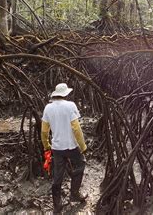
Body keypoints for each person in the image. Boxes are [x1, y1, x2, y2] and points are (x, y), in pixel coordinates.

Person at [41, 83, 88, 213]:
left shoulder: (48, 108)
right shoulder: (70, 106)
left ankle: (57, 205)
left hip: (56, 149)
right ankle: (74, 193)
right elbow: (76, 128)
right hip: (71, 147)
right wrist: (83, 146)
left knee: (58, 176)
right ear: (66, 94)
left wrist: (46, 146)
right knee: (81, 163)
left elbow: (44, 131)